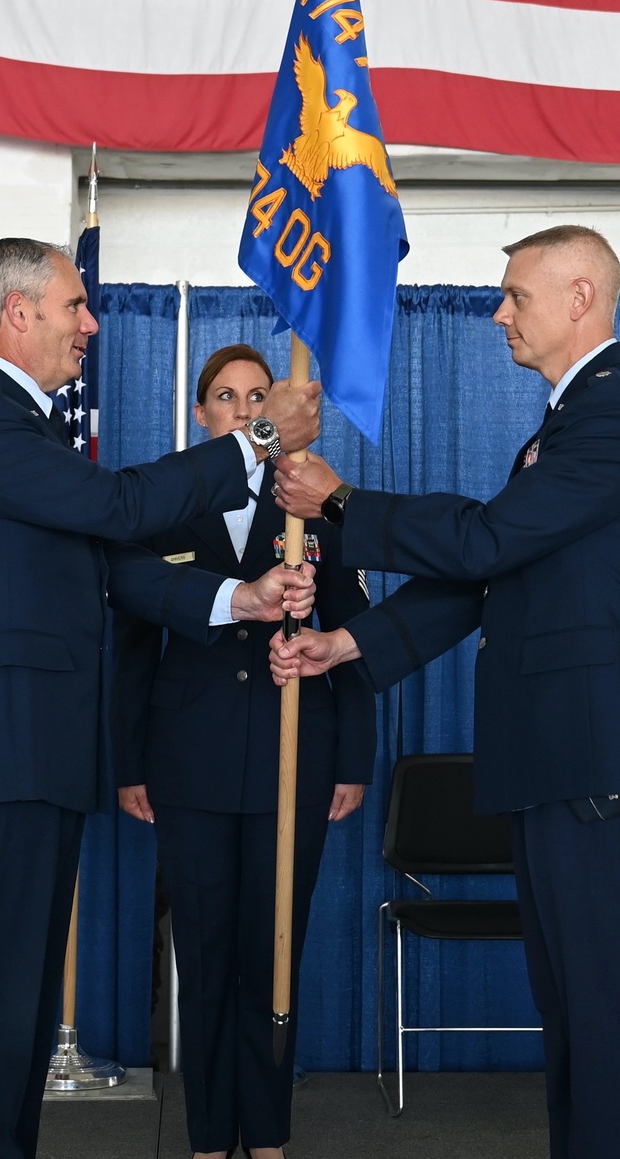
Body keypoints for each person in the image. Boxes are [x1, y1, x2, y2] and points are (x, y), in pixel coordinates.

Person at [270, 226, 620, 1159]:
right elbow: (491, 577)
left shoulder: (616, 416)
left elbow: (484, 545)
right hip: (561, 761)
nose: (500, 313)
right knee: (575, 1013)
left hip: (601, 761)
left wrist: (343, 503)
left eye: (516, 295)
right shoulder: (569, 420)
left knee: (607, 1016)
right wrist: (350, 642)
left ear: (580, 297)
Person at [0, 241, 320, 1159]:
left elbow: (116, 575)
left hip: (30, 758)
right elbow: (123, 511)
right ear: (18, 313)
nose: (90, 323)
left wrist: (233, 600)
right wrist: (256, 440)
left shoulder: (23, 429)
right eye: (74, 306)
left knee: (13, 1017)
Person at [110, 344, 376, 1159]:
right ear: (202, 414)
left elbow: (353, 636)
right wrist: (128, 762)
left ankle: (266, 1136)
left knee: (274, 957)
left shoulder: (314, 502)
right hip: (188, 762)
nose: (238, 407)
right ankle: (205, 1138)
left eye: (257, 394)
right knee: (204, 948)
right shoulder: (163, 502)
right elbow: (129, 645)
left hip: (292, 760)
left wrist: (354, 757)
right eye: (224, 397)